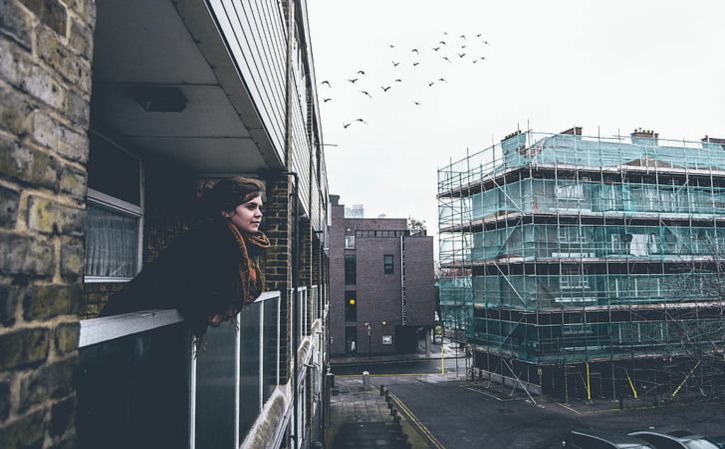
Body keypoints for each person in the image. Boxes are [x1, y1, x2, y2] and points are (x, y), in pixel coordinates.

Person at [100, 176, 270, 338]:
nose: (259, 214)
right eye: (250, 207)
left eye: (260, 207)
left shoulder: (233, 243)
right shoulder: (209, 241)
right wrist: (211, 309)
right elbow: (186, 288)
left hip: (150, 326)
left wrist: (222, 308)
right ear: (226, 210)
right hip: (128, 324)